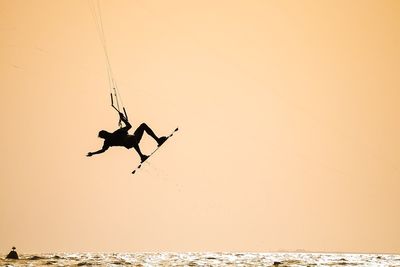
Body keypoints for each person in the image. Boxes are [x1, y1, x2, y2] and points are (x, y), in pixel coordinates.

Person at [87, 112, 167, 162]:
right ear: (104, 137)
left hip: (134, 138)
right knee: (132, 138)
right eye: (104, 135)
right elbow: (102, 150)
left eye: (105, 133)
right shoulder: (108, 141)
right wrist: (93, 153)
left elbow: (129, 126)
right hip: (129, 143)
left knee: (143, 125)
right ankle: (141, 156)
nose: (106, 135)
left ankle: (158, 140)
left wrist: (123, 119)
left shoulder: (117, 132)